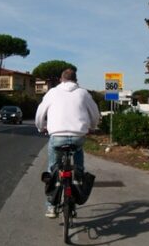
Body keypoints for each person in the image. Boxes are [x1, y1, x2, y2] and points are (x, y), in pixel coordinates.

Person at [35, 68, 100, 218]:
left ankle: (51, 206)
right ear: (76, 80)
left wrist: (40, 127)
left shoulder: (52, 93)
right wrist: (92, 126)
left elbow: (40, 113)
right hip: (78, 136)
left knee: (53, 167)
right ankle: (78, 181)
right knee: (78, 159)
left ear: (60, 79)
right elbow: (95, 113)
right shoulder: (83, 93)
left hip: (57, 137)